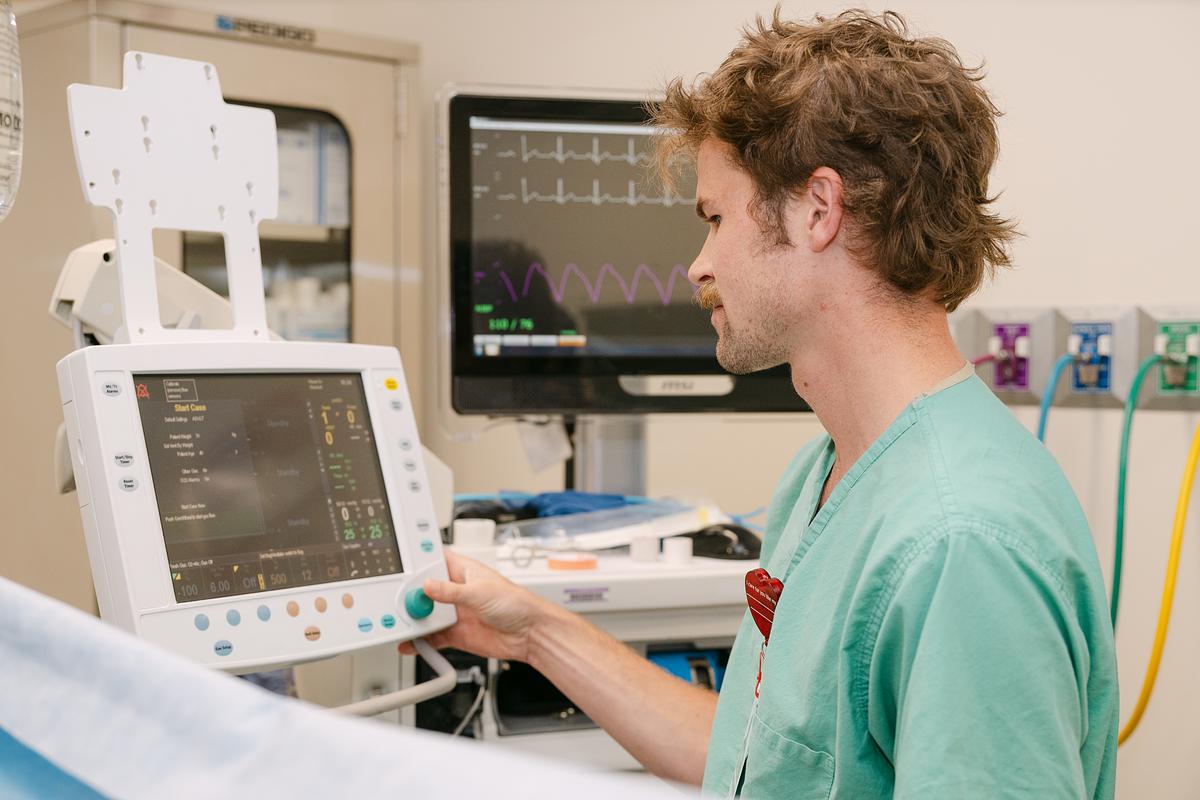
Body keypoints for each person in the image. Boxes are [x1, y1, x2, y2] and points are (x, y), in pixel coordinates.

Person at [412, 10, 1118, 798]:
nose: (697, 265)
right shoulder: (827, 472)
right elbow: (759, 763)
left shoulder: (962, 547)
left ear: (820, 210)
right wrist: (534, 632)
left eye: (715, 218)